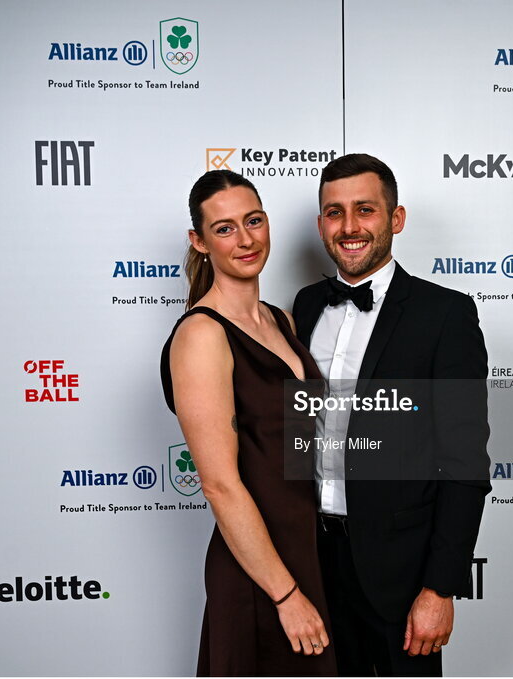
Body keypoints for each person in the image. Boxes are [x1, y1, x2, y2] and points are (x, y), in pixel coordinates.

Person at [292, 154, 491, 676]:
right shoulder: (307, 305)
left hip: (400, 577)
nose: (350, 227)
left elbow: (465, 463)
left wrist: (440, 587)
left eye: (366, 210)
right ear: (320, 226)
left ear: (395, 218)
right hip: (312, 564)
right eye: (335, 213)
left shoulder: (445, 315)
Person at [160, 170, 336, 677]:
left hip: (307, 551)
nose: (245, 239)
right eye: (225, 228)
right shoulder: (201, 335)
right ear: (199, 241)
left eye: (254, 221)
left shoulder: (280, 319)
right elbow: (219, 485)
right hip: (260, 574)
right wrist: (284, 595)